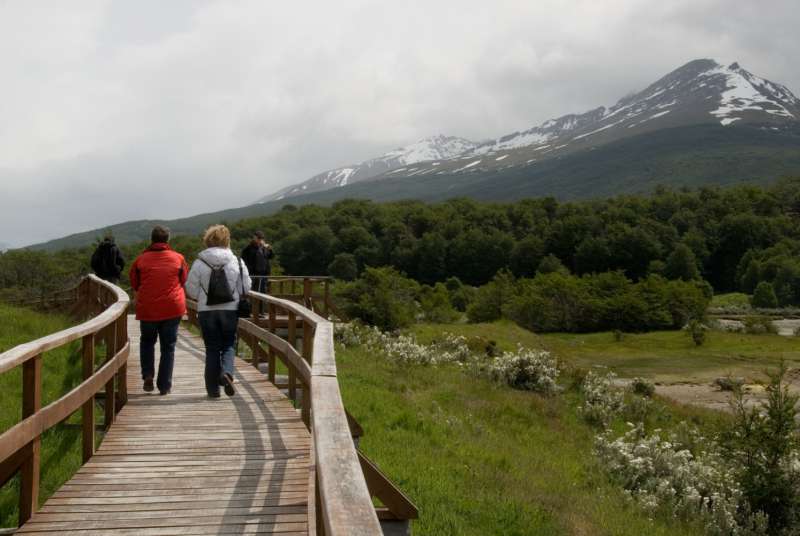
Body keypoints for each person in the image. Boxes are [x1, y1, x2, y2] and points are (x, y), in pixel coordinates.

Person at [186, 225, 251, 398]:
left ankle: (213, 390)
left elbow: (191, 290)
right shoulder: (236, 261)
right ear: (227, 240)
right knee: (228, 344)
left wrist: (202, 296)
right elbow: (246, 287)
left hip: (206, 311)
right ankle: (227, 373)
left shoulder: (199, 262)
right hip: (230, 309)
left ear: (207, 240)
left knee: (212, 348)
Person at [129, 226, 188, 396]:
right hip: (172, 307)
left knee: (147, 342)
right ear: (167, 240)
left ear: (152, 239)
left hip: (148, 308)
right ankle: (164, 385)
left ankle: (148, 375)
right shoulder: (178, 258)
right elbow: (183, 280)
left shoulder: (140, 260)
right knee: (168, 347)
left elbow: (134, 283)